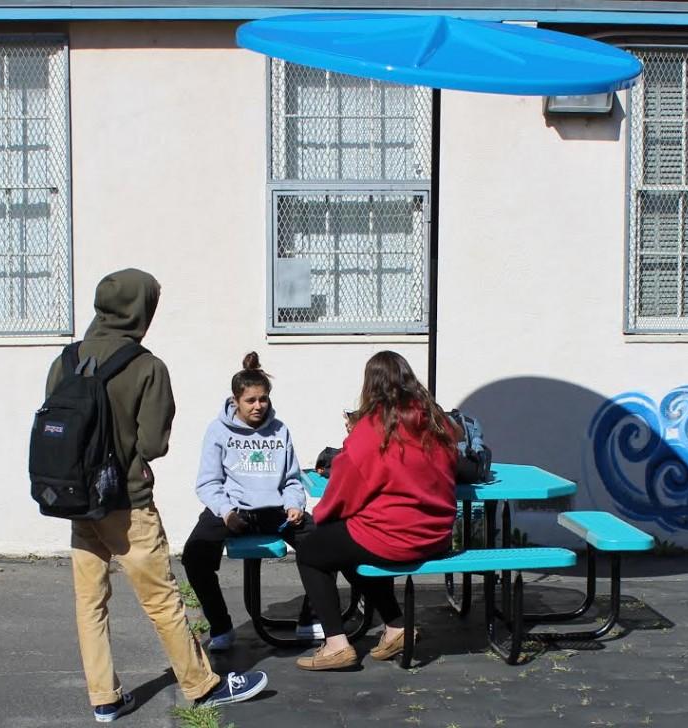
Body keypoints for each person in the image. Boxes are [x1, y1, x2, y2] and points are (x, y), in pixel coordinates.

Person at [45, 269, 267, 722]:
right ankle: (202, 686)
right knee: (161, 599)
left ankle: (104, 698)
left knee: (90, 602)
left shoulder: (65, 361)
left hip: (76, 499)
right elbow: (153, 446)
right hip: (126, 502)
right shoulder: (146, 366)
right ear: (139, 309)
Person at [294, 350, 458, 670]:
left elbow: (342, 493)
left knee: (314, 550)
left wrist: (325, 519)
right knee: (352, 543)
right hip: (437, 535)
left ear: (370, 386)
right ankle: (396, 626)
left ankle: (336, 645)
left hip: (395, 537)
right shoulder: (438, 423)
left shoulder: (370, 431)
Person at [182, 352, 321, 651]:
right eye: (251, 400)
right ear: (236, 401)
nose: (258, 406)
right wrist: (225, 511)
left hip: (274, 510)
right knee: (194, 556)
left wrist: (295, 503)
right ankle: (221, 627)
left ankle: (310, 619)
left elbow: (292, 479)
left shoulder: (280, 430)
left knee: (320, 543)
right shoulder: (218, 430)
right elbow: (208, 483)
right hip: (233, 509)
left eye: (263, 399)